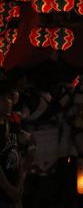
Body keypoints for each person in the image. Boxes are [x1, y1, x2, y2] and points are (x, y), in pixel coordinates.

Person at [0, 78, 33, 208]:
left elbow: (17, 151)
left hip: (13, 187)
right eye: (3, 99)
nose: (9, 102)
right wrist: (8, 188)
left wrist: (20, 182)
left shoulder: (12, 123)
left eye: (9, 98)